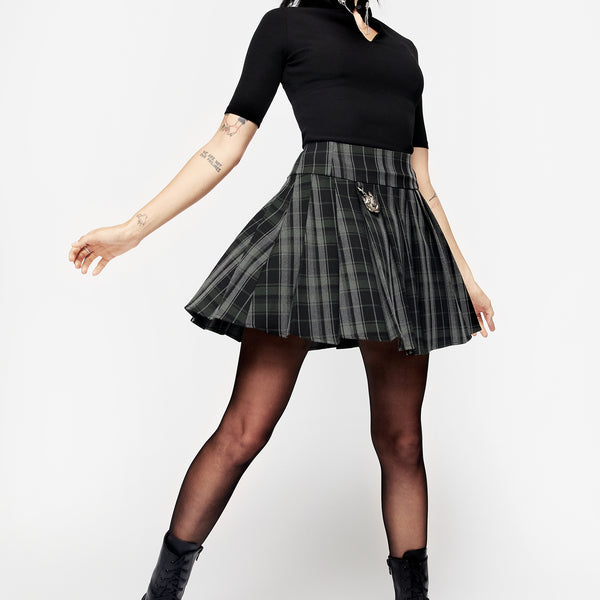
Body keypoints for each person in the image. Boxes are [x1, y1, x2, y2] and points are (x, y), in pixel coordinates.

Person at [68, 1, 495, 598]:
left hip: (399, 238)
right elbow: (227, 141)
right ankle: (159, 595)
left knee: (403, 442)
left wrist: (463, 273)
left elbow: (421, 177)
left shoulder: (402, 50)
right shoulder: (287, 25)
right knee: (245, 429)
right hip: (317, 225)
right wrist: (132, 230)